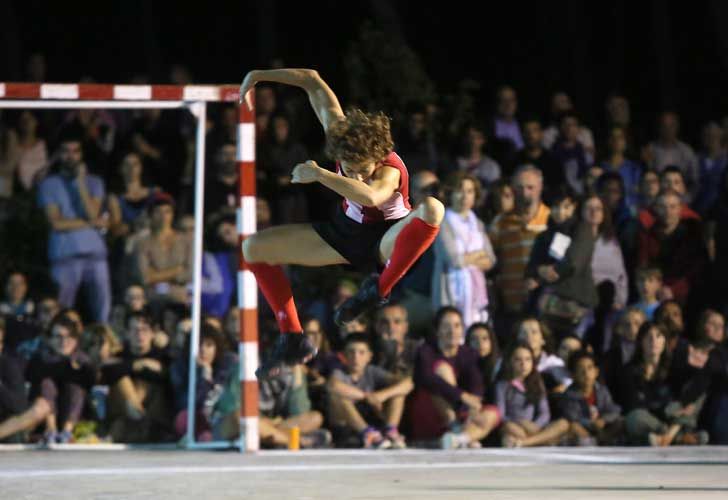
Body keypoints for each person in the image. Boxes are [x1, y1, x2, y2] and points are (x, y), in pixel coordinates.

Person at [239, 69, 444, 378]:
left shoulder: (389, 170)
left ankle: (378, 288)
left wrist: (321, 174)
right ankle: (293, 338)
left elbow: (372, 196)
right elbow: (311, 80)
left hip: (389, 241)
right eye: (351, 169)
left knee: (433, 208)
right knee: (253, 248)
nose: (358, 175)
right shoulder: (339, 134)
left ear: (378, 157)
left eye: (365, 169)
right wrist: (258, 75)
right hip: (345, 234)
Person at [37, 133, 111, 323]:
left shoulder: (94, 182)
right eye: (66, 151)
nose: (71, 156)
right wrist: (92, 224)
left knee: (103, 312)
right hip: (65, 257)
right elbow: (56, 223)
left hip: (96, 256)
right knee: (60, 313)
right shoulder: (49, 184)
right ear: (59, 154)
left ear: (81, 154)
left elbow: (93, 213)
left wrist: (80, 183)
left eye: (75, 151)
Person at [412, 307, 500, 449]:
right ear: (437, 330)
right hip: (435, 412)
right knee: (443, 368)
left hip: (462, 414)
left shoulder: (468, 353)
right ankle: (456, 429)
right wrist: (462, 396)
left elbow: (476, 384)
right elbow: (428, 379)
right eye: (446, 326)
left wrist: (473, 407)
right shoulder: (426, 350)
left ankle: (460, 438)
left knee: (493, 413)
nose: (452, 331)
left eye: (457, 325)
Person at [328, 333, 413, 449]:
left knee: (398, 394)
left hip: (373, 419)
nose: (356, 357)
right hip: (346, 425)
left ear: (369, 356)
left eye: (361, 352)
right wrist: (366, 396)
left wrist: (383, 395)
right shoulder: (339, 372)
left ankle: (391, 432)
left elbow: (408, 384)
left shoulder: (372, 371)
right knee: (337, 398)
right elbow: (333, 385)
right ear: (344, 356)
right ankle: (368, 434)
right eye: (351, 352)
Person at [433, 172, 496, 327]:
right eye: (459, 190)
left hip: (477, 291)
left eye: (470, 191)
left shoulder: (478, 224)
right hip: (450, 292)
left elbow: (491, 259)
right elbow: (454, 260)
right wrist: (478, 255)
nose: (464, 196)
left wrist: (468, 258)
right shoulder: (442, 223)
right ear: (450, 193)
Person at [495, 343, 571, 448]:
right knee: (509, 428)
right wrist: (521, 422)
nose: (523, 364)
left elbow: (544, 413)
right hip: (515, 425)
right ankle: (545, 441)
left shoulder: (537, 382)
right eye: (518, 360)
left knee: (563, 423)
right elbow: (501, 415)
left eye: (528, 359)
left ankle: (525, 442)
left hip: (534, 427)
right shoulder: (503, 385)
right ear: (510, 362)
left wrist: (535, 425)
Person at [559, 350, 624, 445]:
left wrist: (603, 420)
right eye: (581, 369)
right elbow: (572, 417)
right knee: (573, 427)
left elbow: (613, 409)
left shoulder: (602, 390)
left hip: (601, 427)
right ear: (573, 375)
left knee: (620, 421)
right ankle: (594, 441)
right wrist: (591, 423)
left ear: (596, 371)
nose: (586, 373)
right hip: (584, 428)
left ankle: (603, 440)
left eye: (590, 368)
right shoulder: (569, 394)